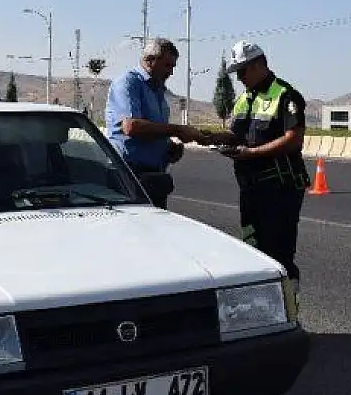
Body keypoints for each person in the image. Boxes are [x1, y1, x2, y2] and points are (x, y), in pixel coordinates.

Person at [203, 40, 310, 307]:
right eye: (236, 71)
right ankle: (261, 310)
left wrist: (253, 153)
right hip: (250, 189)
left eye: (243, 70)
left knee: (278, 254)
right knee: (252, 250)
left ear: (260, 64)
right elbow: (236, 134)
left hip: (279, 189)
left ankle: (288, 310)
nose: (239, 77)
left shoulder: (285, 95)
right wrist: (213, 138)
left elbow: (294, 139)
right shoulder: (244, 98)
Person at [104, 37, 208, 209]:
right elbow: (131, 126)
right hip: (129, 174)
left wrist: (169, 148)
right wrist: (177, 130)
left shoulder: (158, 90)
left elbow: (153, 131)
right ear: (150, 60)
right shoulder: (129, 83)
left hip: (154, 177)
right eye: (168, 66)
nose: (171, 72)